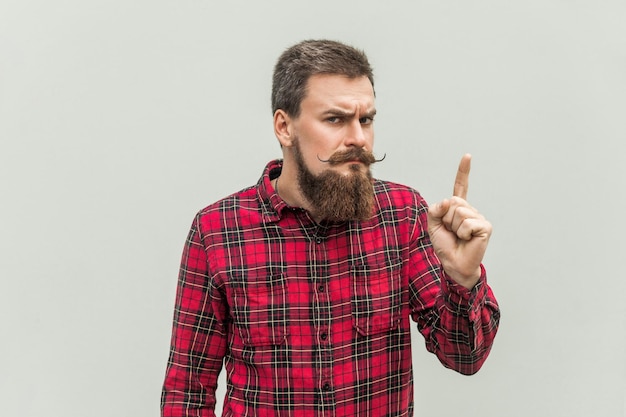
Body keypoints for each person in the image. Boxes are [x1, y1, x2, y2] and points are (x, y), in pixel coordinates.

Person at [161, 39, 500, 417]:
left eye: (366, 119)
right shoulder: (217, 231)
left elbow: (465, 357)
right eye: (335, 119)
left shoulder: (403, 216)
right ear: (284, 126)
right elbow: (187, 392)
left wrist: (464, 276)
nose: (358, 138)